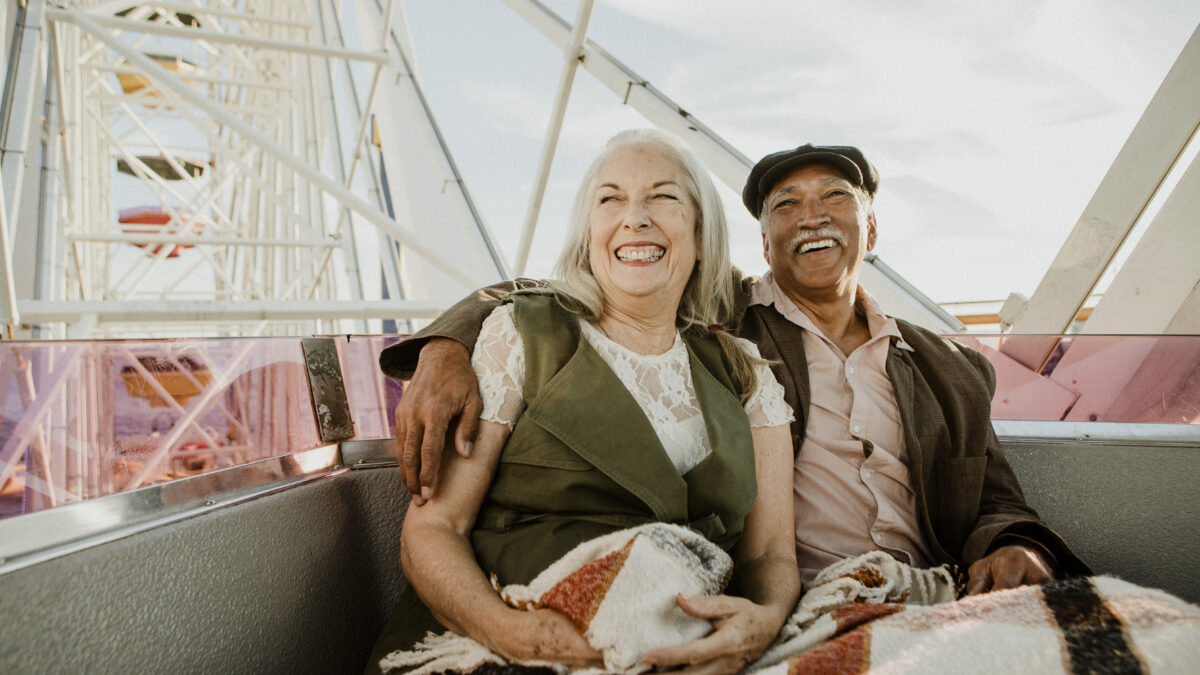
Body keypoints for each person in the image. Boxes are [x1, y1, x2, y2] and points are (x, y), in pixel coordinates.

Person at [379, 142, 1090, 597]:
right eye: (787, 206)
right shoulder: (730, 324)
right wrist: (444, 347)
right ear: (761, 238)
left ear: (871, 229)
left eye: (835, 198)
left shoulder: (952, 368)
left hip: (932, 587)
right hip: (808, 594)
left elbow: (998, 500)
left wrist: (1015, 543)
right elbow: (573, 288)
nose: (812, 217)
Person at [365, 129, 800, 673]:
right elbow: (433, 529)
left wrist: (764, 620)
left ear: (699, 229)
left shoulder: (744, 372)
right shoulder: (524, 335)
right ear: (588, 230)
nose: (634, 217)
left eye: (663, 197)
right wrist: (510, 632)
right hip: (506, 636)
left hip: (682, 645)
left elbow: (770, 555)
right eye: (610, 198)